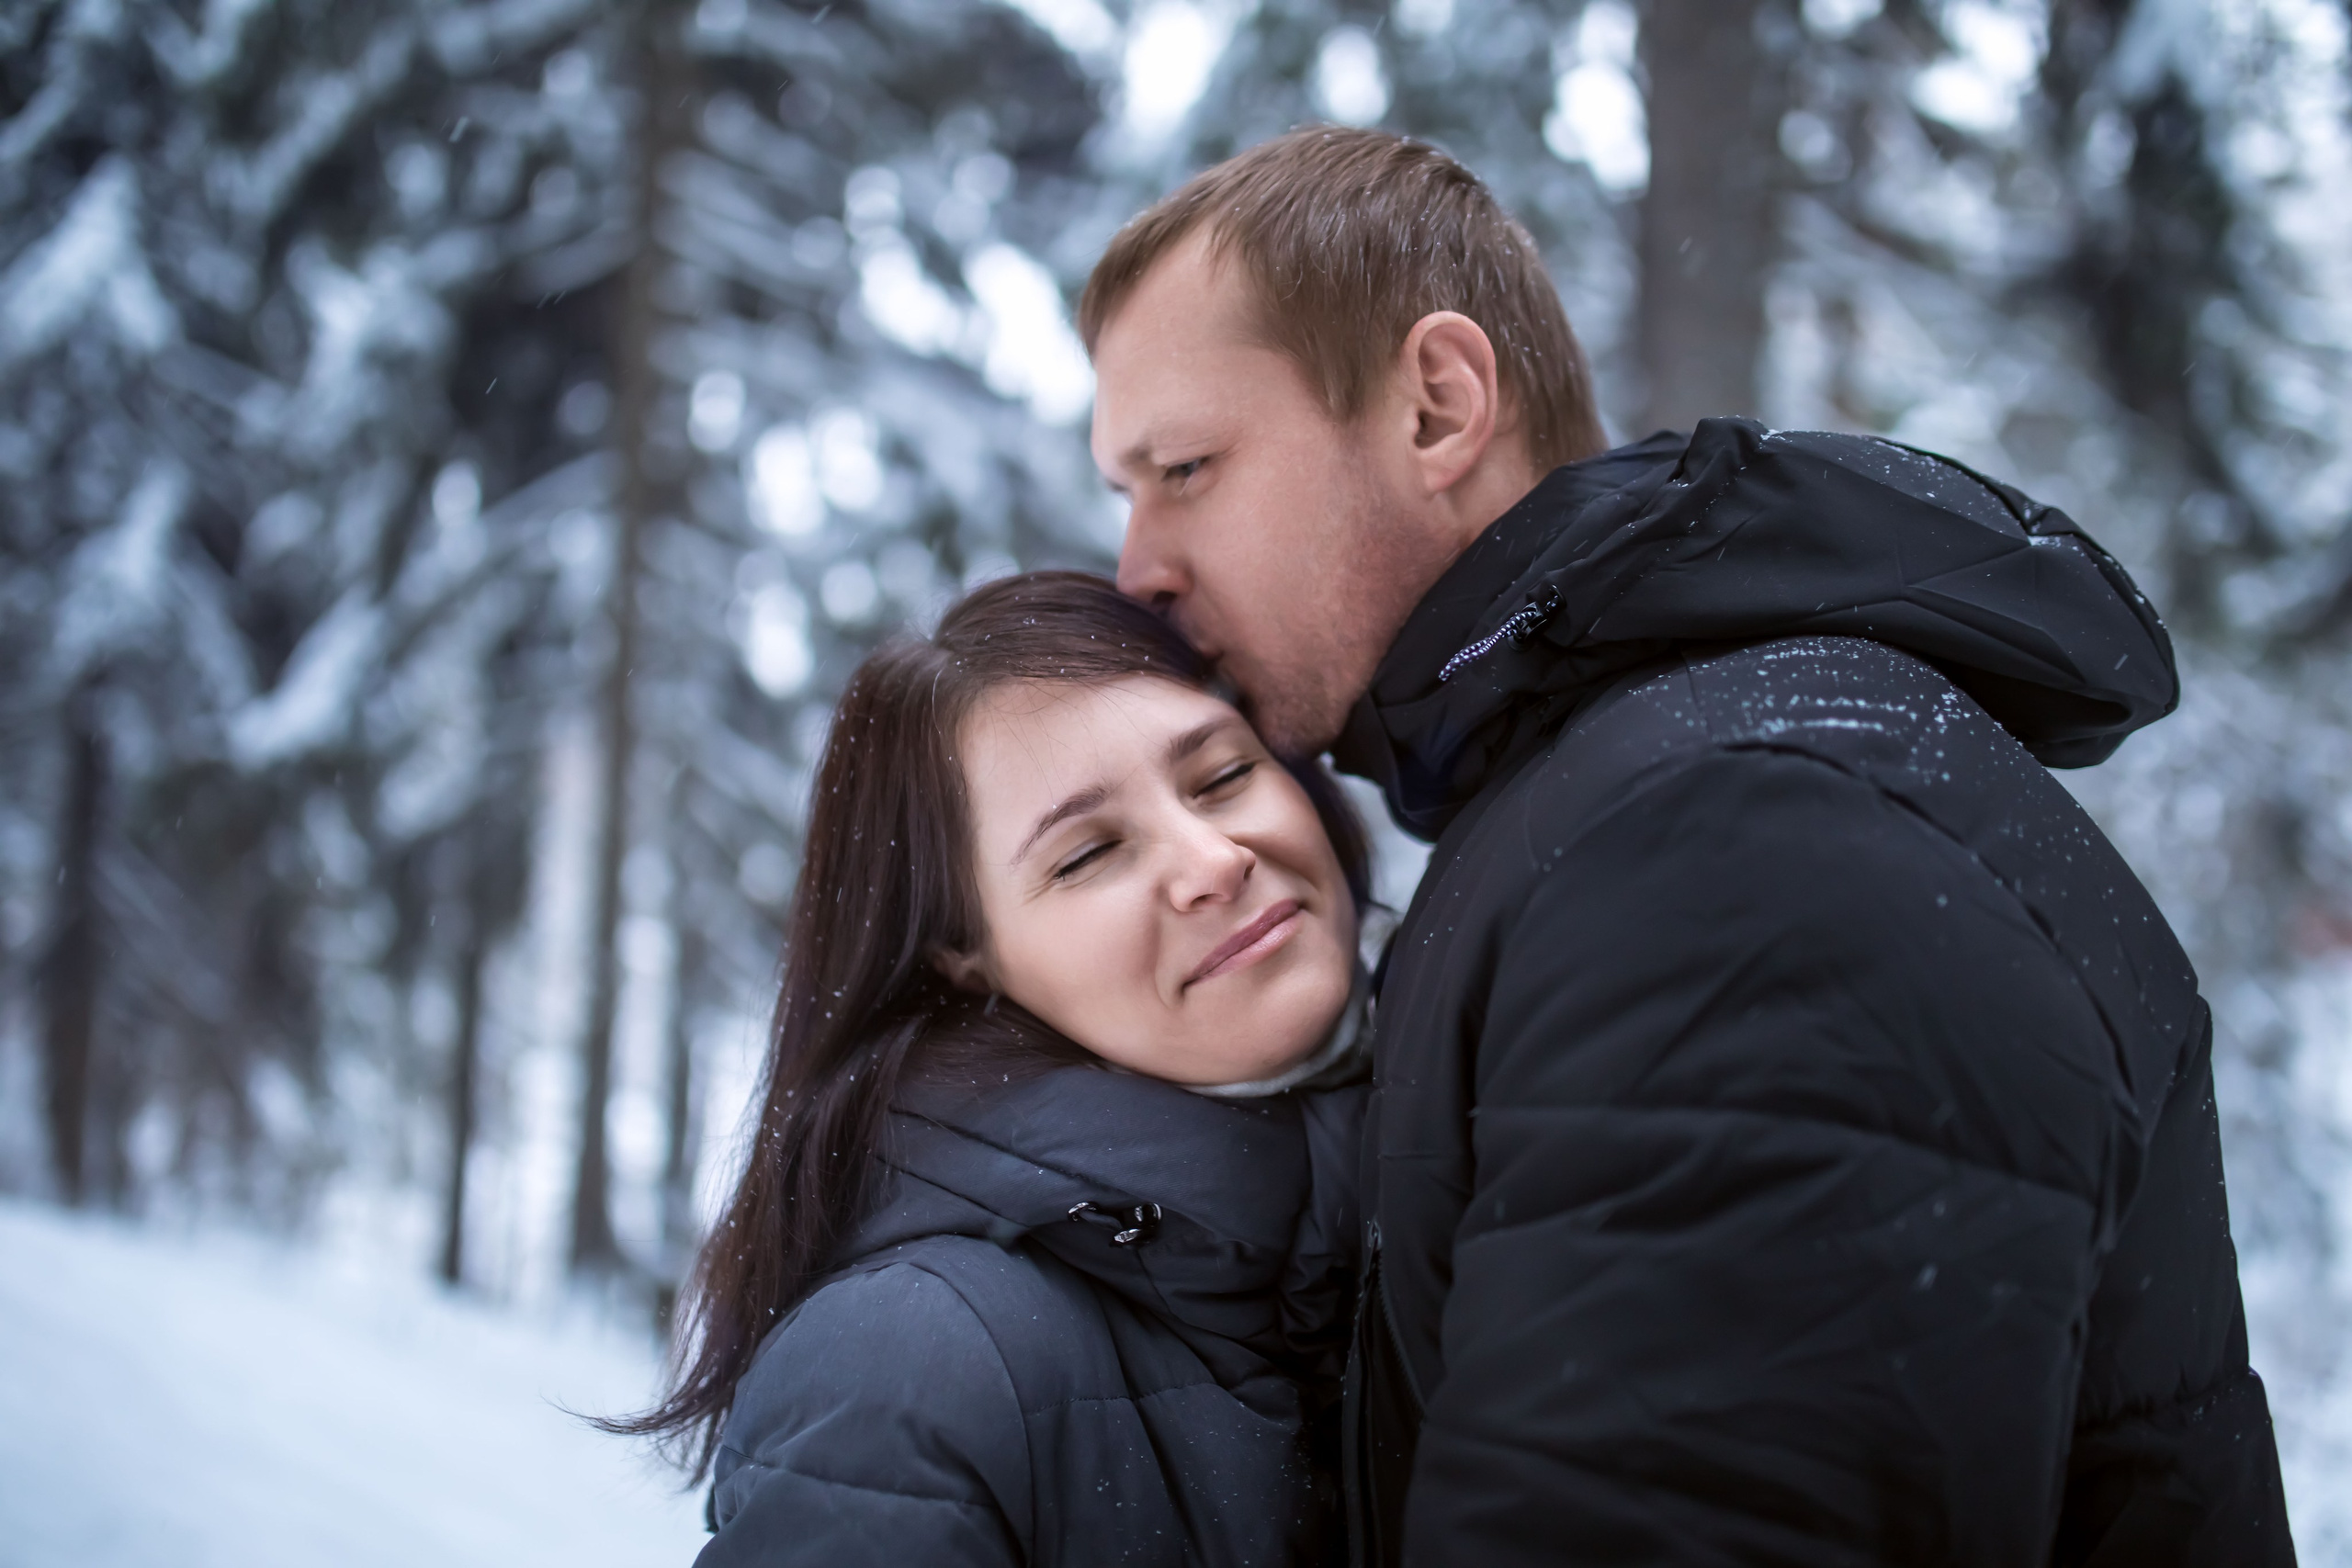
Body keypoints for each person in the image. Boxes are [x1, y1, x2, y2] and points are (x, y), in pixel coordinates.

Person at [1082, 127, 2294, 1565]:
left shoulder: (1736, 835)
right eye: (1125, 493)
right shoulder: (1620, 799)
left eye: (1185, 467)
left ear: (1437, 407)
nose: (1138, 569)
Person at [610, 571, 1380, 1565]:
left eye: (1223, 775)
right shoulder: (909, 1368)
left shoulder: (1492, 1118)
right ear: (962, 957)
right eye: (1087, 854)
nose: (1213, 859)